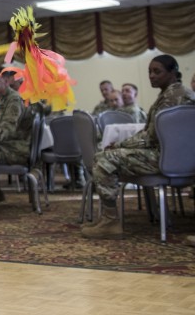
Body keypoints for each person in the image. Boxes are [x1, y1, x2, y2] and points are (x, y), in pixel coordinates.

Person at [82, 54, 195, 240]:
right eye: (150, 71)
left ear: (173, 72)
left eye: (157, 71)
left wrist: (118, 145)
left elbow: (150, 137)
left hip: (166, 158)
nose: (151, 75)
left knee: (103, 158)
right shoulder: (181, 93)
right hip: (184, 158)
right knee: (110, 155)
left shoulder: (171, 98)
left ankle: (110, 222)